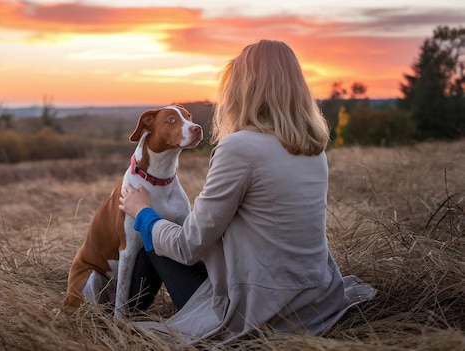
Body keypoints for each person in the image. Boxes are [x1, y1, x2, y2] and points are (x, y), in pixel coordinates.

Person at [118, 39, 375, 344]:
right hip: (315, 299)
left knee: (152, 238)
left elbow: (188, 248)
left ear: (242, 88)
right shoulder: (312, 147)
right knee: (162, 232)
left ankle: (115, 320)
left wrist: (143, 213)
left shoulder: (239, 147)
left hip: (260, 308)